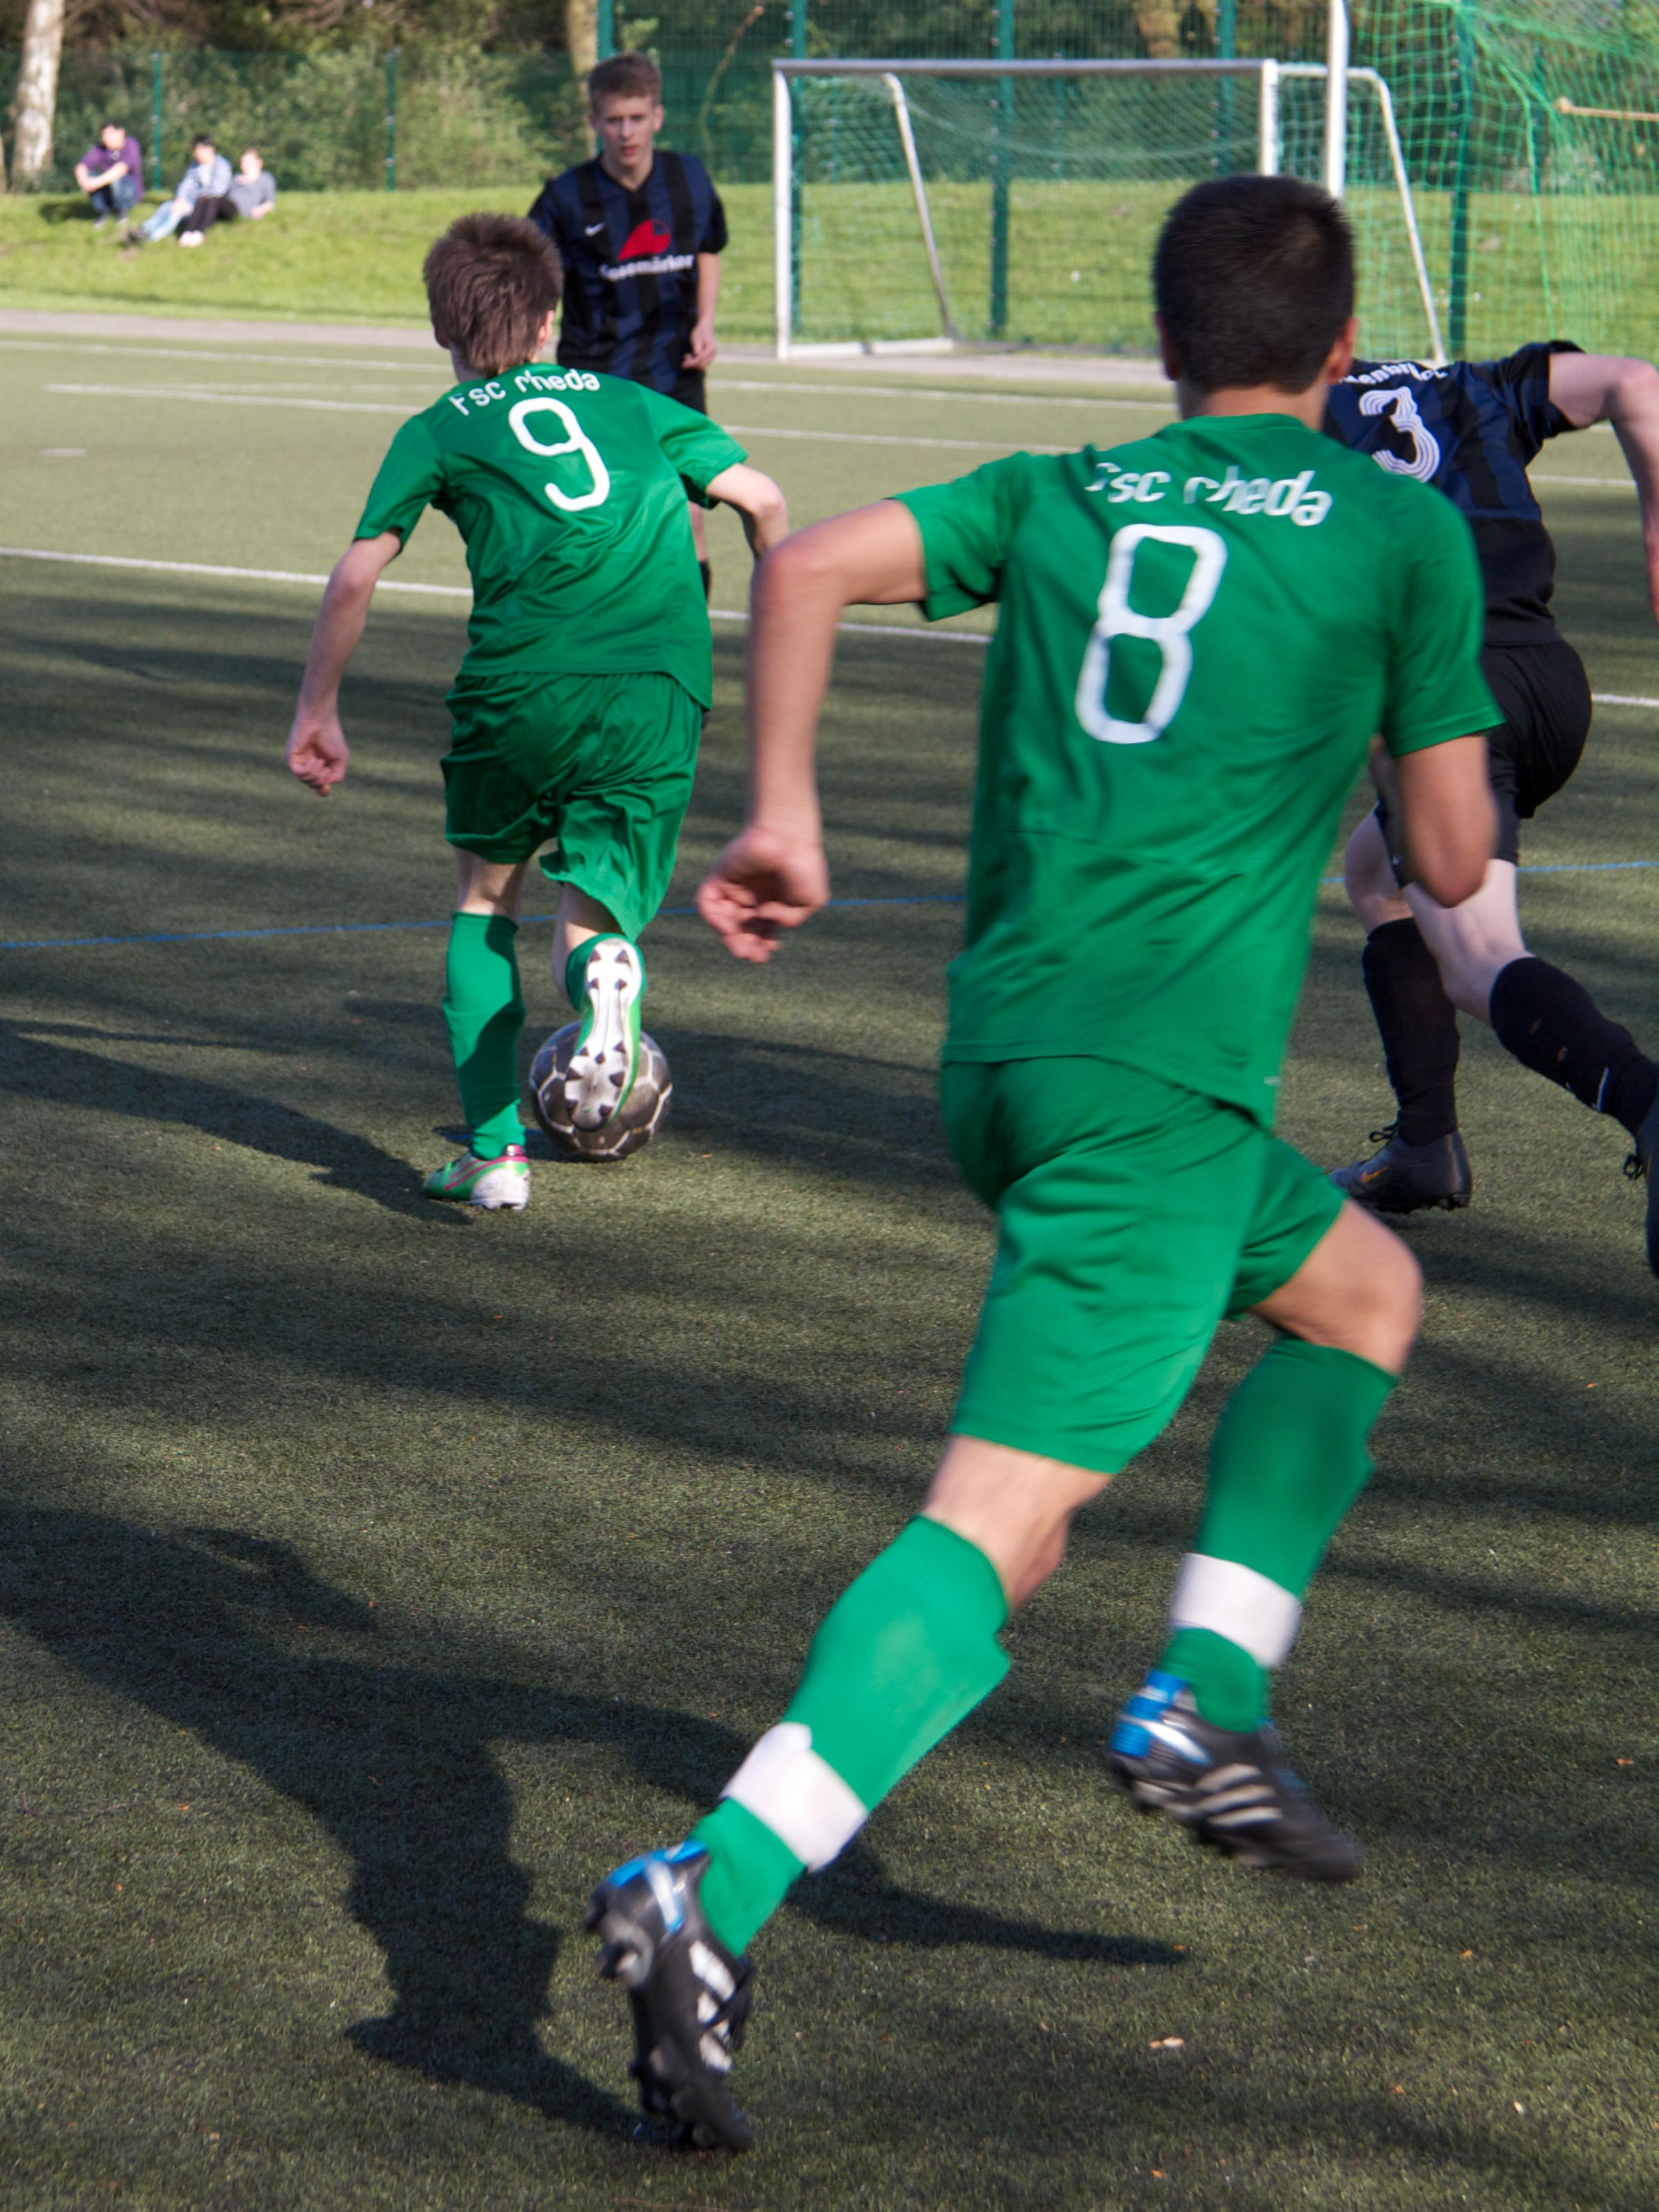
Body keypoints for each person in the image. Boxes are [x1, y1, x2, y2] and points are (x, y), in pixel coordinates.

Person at [583, 175, 1498, 2151]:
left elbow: (803, 565)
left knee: (1361, 1291)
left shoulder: (1063, 489)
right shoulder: (1393, 529)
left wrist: (783, 818)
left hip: (1010, 1063)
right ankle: (713, 1883)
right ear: (1342, 353)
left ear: (1163, 346)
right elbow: (1441, 858)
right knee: (995, 1524)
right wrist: (1418, 709)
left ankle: (1210, 1692)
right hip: (1152, 1095)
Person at [285, 214, 785, 1211]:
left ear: (443, 329)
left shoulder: (438, 428)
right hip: (657, 680)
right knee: (593, 909)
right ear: (553, 318)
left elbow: (355, 576)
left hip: (522, 686)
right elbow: (762, 500)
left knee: (485, 901)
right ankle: (606, 970)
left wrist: (317, 710)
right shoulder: (631, 400)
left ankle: (494, 1156)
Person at [1323, 347, 1659, 1269]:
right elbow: (1637, 382)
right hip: (1548, 682)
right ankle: (1423, 1145)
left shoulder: (1283, 421)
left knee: (1477, 957)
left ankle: (1645, 1101)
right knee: (1372, 875)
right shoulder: (1463, 382)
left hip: (1447, 699)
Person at [527, 50, 728, 599]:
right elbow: (531, 276)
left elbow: (708, 248)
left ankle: (686, 631)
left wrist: (706, 322)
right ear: (594, 121)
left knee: (688, 513)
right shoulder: (565, 197)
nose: (626, 132)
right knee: (606, 517)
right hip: (597, 377)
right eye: (614, 120)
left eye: (637, 118)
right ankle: (603, 625)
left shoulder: (688, 178)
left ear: (657, 117)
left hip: (675, 370)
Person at [127, 134, 230, 245]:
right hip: (189, 202)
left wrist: (189, 205)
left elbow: (217, 192)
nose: (197, 153)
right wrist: (180, 199)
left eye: (200, 149)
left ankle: (152, 237)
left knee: (175, 215)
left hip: (204, 206)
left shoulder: (222, 166)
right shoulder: (195, 166)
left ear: (211, 149)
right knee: (167, 207)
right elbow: (185, 185)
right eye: (196, 149)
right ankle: (144, 229)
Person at [178, 147, 277, 243]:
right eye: (243, 161)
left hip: (238, 209)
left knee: (214, 199)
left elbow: (270, 202)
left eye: (249, 162)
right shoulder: (236, 178)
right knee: (203, 198)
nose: (245, 164)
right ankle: (188, 232)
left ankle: (199, 233)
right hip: (226, 204)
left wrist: (260, 209)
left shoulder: (265, 178)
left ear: (259, 162)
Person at [73, 122, 143, 228]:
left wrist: (95, 183)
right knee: (90, 176)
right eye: (104, 134)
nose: (105, 138)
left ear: (121, 133)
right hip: (109, 188)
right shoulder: (101, 149)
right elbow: (81, 166)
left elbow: (121, 169)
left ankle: (122, 212)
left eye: (109, 134)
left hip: (131, 192)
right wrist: (84, 182)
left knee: (115, 178)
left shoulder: (131, 144)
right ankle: (104, 212)